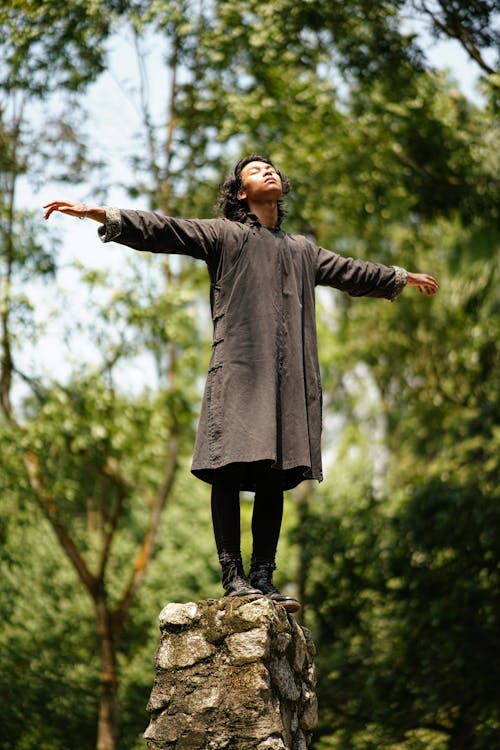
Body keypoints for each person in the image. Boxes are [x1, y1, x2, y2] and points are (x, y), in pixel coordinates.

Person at [44, 154, 439, 613]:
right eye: (255, 171)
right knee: (228, 470)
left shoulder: (302, 250)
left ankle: (263, 579)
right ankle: (233, 577)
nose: (268, 172)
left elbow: (352, 271)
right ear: (239, 193)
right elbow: (164, 229)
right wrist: (100, 214)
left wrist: (399, 277)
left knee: (276, 475)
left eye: (271, 168)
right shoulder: (224, 234)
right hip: (237, 371)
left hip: (288, 380)